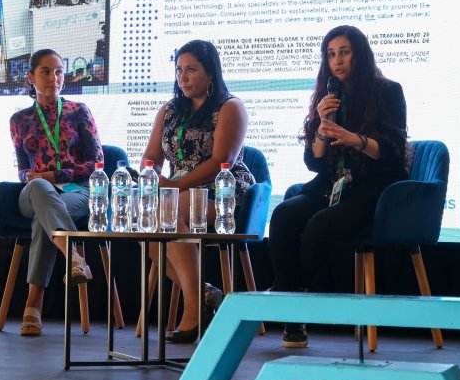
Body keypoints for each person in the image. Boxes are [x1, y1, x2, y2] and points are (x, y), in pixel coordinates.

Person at [268, 25, 408, 348]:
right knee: (284, 215)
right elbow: (314, 161)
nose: (337, 61)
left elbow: (393, 151)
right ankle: (291, 302)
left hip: (372, 188)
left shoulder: (388, 91)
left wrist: (355, 140)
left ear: (360, 54)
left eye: (344, 52)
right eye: (331, 55)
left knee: (320, 224)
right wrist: (322, 126)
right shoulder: (328, 95)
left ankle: (290, 302)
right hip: (332, 182)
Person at [141, 39, 255, 343]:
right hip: (177, 193)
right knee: (149, 236)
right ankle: (205, 295)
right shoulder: (169, 110)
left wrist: (174, 186)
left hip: (221, 191)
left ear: (210, 72)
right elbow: (151, 158)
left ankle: (192, 313)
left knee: (165, 214)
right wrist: (152, 178)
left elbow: (221, 161)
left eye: (191, 69)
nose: (183, 77)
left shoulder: (230, 107)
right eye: (179, 70)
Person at [10, 49, 103, 337]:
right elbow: (22, 169)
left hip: (76, 190)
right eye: (46, 72)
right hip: (35, 192)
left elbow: (97, 163)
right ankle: (73, 257)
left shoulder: (79, 111)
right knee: (40, 189)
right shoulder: (19, 119)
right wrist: (33, 178)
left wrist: (55, 176)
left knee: (44, 220)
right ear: (31, 77)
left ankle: (33, 305)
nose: (54, 78)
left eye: (59, 71)